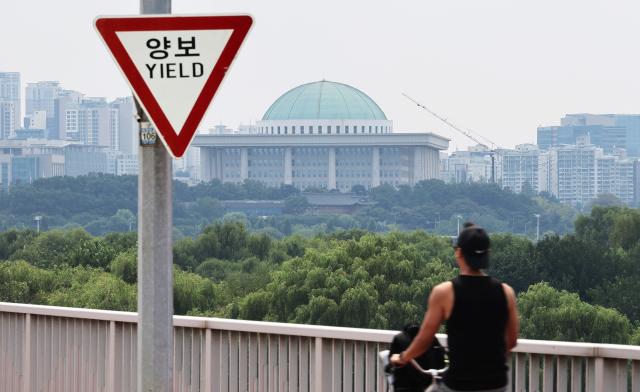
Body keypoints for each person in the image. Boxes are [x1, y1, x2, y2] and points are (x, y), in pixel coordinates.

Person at [391, 222, 519, 392]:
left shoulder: (445, 292)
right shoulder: (506, 292)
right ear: (488, 254)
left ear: (459, 253)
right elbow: (511, 341)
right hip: (497, 384)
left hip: (459, 385)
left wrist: (403, 357)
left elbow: (425, 339)